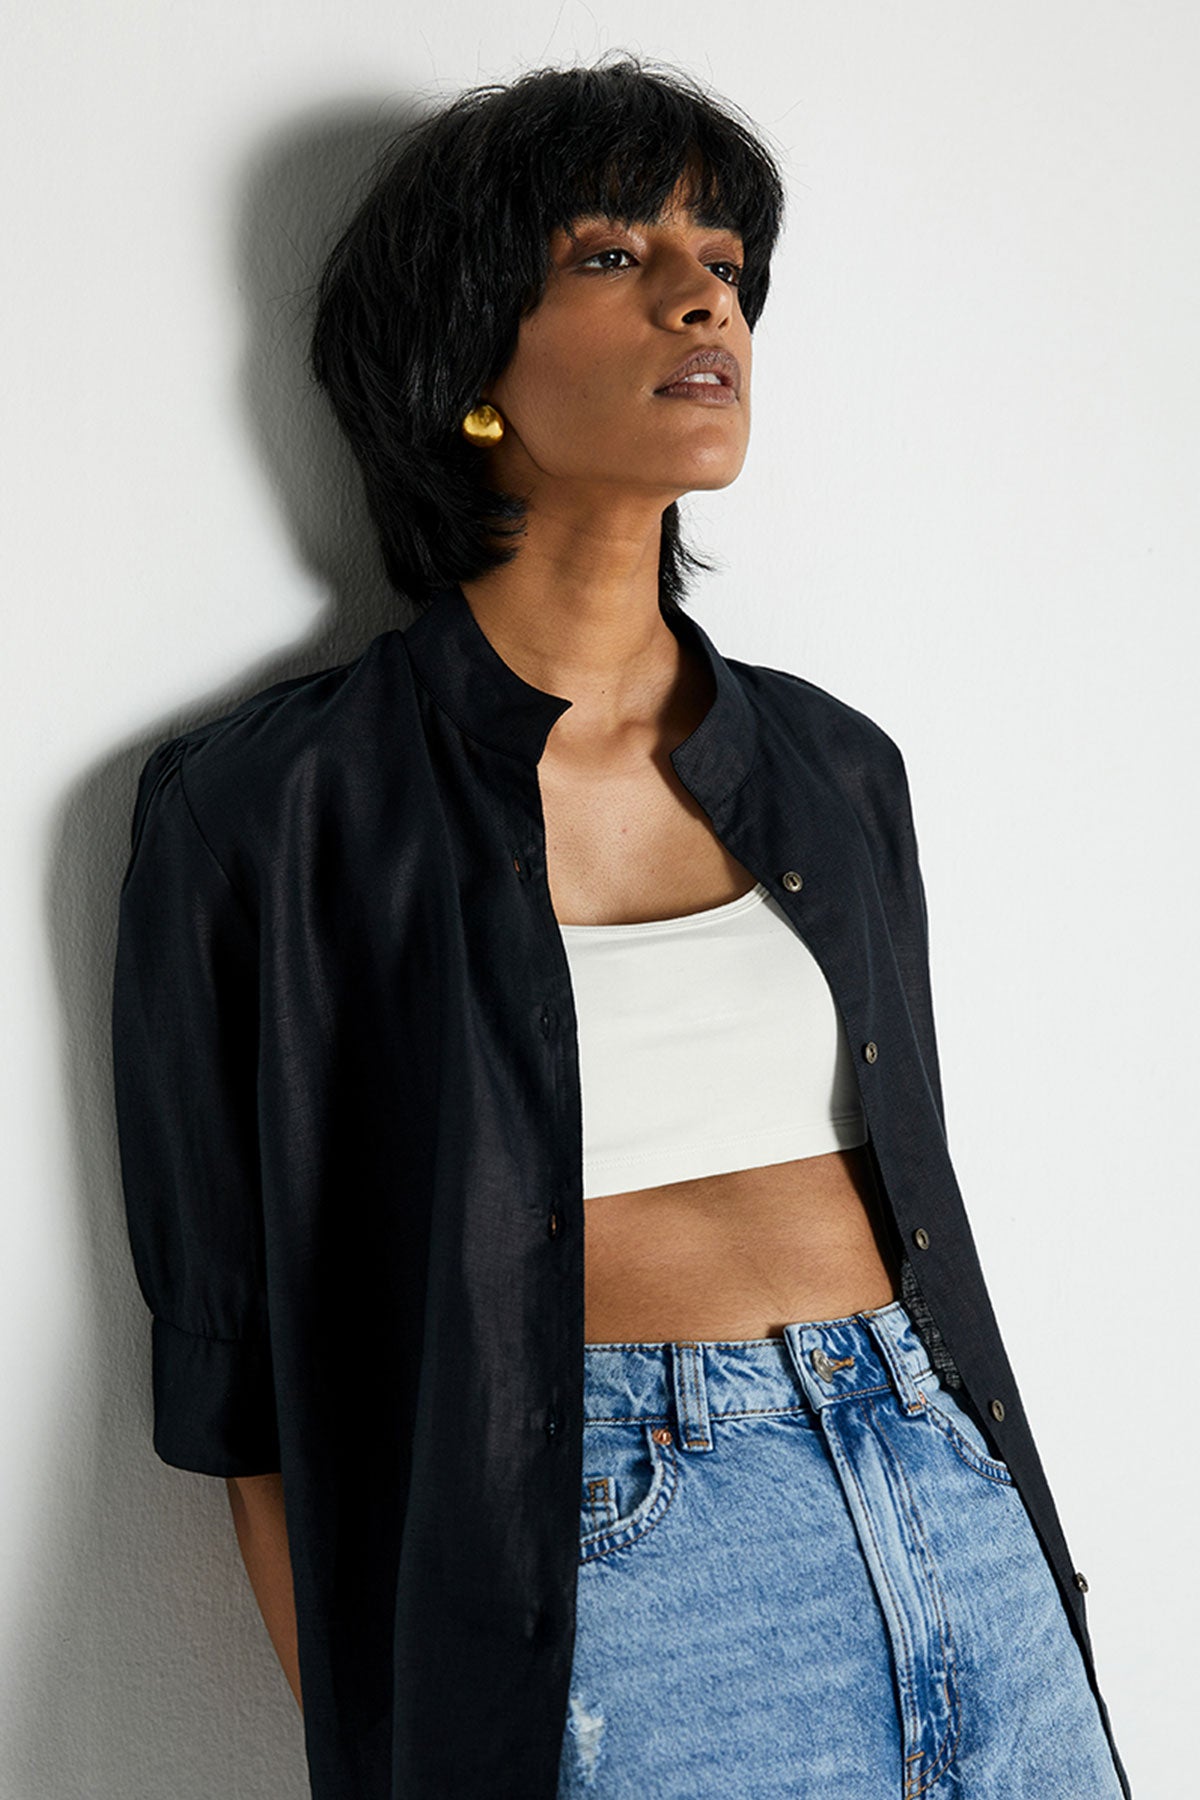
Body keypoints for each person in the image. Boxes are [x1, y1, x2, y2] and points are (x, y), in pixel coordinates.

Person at [111, 53, 1131, 1800]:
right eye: (611, 254)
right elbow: (242, 1395)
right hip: (618, 1572)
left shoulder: (834, 767)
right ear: (467, 363)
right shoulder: (275, 807)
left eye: (724, 262)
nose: (701, 296)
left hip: (949, 1495)